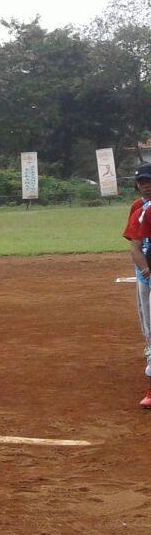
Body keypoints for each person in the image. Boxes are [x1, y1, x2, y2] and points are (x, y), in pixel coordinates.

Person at [124, 163, 151, 408]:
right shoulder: (138, 208)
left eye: (149, 180)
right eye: (141, 182)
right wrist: (144, 270)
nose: (145, 185)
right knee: (146, 315)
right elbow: (135, 243)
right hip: (146, 269)